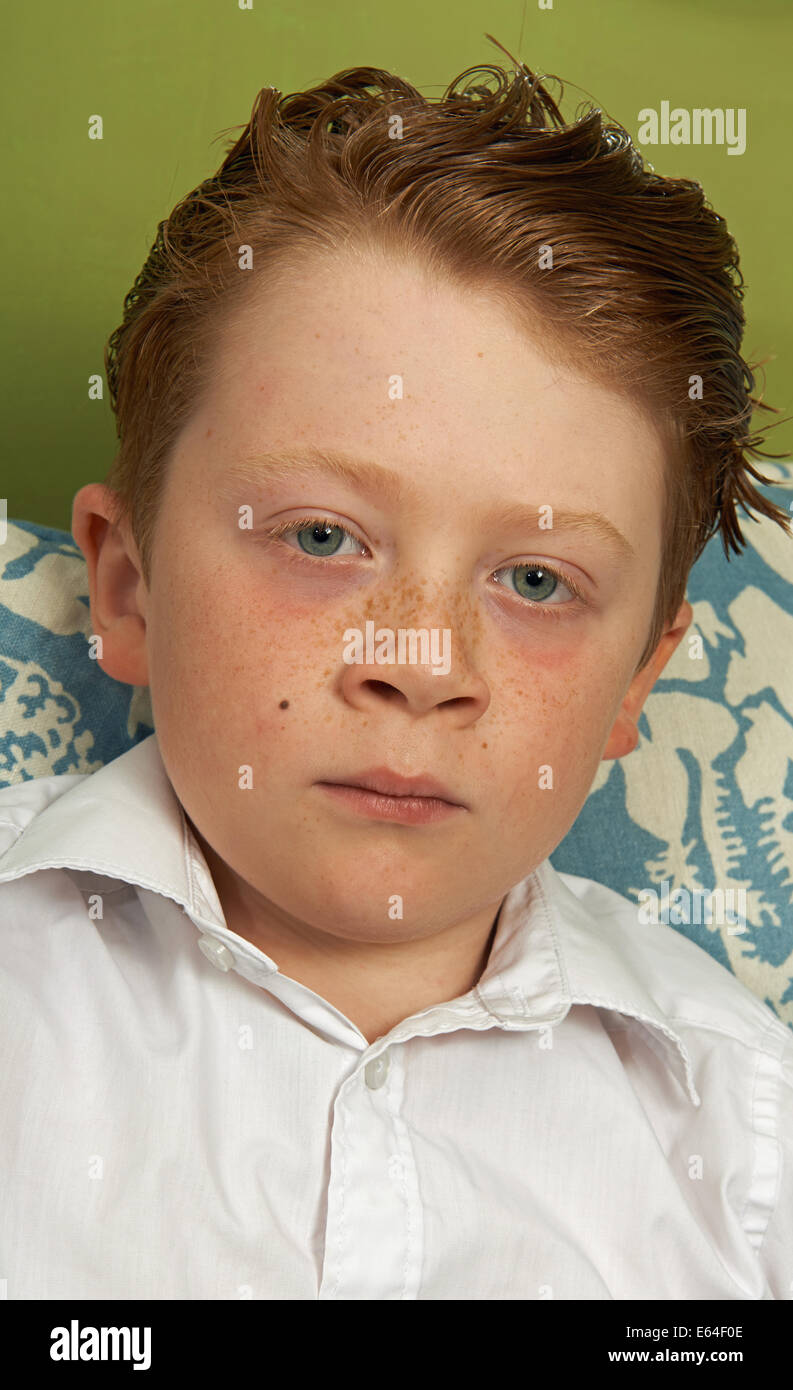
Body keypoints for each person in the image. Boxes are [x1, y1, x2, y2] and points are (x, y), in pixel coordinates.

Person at [1, 58, 791, 1300]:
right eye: (321, 537)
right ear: (127, 588)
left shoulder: (749, 1138)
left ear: (638, 681)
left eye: (535, 581)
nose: (422, 668)